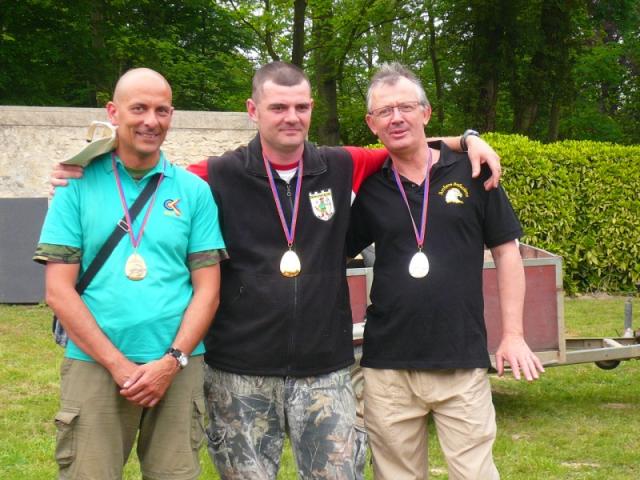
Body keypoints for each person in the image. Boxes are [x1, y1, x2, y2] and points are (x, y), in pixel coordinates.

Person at [51, 61, 503, 480]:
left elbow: (405, 139)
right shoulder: (216, 174)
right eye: (278, 107)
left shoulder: (342, 164)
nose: (292, 117)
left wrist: (467, 140)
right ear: (253, 111)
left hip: (325, 370)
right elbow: (149, 178)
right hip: (239, 371)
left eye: (301, 107)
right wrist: (84, 171)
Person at [346, 62, 545, 480]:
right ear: (371, 124)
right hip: (387, 368)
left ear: (426, 112)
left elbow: (507, 253)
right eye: (384, 111)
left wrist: (513, 334)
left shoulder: (473, 172)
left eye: (406, 107)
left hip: (461, 360)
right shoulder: (369, 188)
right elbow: (332, 255)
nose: (396, 118)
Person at [35, 68, 228, 480]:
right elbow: (58, 290)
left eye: (162, 110)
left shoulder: (194, 192)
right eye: (139, 108)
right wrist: (119, 366)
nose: (151, 121)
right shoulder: (76, 184)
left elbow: (208, 291)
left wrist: (170, 362)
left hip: (177, 366)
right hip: (94, 364)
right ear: (113, 112)